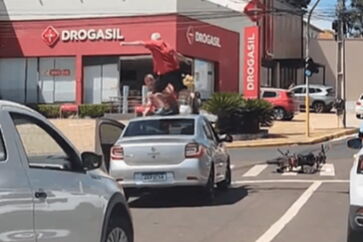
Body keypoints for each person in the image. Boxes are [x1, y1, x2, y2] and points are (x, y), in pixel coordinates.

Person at [121, 32, 191, 115]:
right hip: (175, 72)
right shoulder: (167, 45)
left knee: (155, 93)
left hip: (165, 74)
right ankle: (189, 102)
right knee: (181, 90)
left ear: (153, 39)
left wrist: (125, 43)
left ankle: (165, 107)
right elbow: (177, 55)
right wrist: (185, 60)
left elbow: (140, 43)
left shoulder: (154, 43)